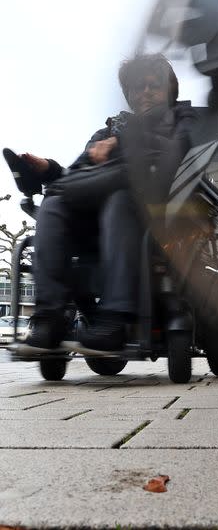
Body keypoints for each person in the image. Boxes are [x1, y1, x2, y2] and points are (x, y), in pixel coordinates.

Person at [6, 53, 197, 353]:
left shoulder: (182, 120)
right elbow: (78, 175)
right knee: (54, 203)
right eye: (137, 87)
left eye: (153, 85)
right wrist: (50, 169)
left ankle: (115, 319)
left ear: (169, 90)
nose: (145, 92)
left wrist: (127, 142)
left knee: (120, 200)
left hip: (153, 213)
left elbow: (181, 153)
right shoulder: (107, 130)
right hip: (94, 220)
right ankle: (50, 317)